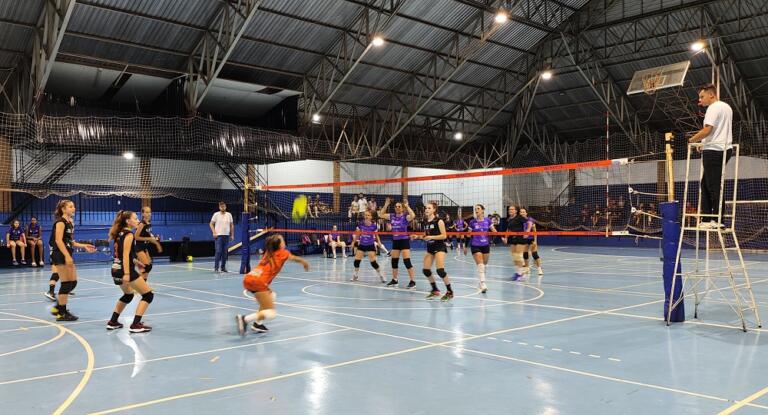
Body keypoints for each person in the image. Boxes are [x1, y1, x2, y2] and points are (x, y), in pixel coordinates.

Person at [237, 234, 309, 334]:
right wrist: (304, 262)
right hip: (258, 281)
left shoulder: (269, 252)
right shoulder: (283, 253)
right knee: (271, 313)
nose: (284, 241)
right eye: (282, 240)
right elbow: (295, 258)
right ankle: (245, 319)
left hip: (250, 277)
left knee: (272, 296)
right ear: (279, 245)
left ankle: (258, 324)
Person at [688, 84, 734, 228]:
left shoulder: (713, 108)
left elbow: (708, 130)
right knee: (707, 184)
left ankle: (717, 220)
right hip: (724, 148)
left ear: (711, 95)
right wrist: (703, 143)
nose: (700, 100)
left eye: (702, 97)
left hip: (714, 150)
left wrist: (692, 140)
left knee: (712, 185)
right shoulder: (726, 107)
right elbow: (717, 131)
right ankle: (708, 219)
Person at [106, 211, 154, 333]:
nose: (138, 220)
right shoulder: (129, 235)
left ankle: (113, 321)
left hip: (116, 269)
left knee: (128, 295)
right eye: (135, 218)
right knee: (148, 295)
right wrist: (127, 274)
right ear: (128, 221)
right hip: (124, 270)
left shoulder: (119, 234)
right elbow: (126, 256)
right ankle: (136, 324)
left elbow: (122, 254)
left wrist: (136, 262)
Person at [49, 199, 97, 321]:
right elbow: (58, 241)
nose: (73, 208)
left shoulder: (70, 222)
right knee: (66, 283)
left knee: (73, 282)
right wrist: (67, 256)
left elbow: (70, 241)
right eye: (70, 206)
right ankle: (62, 313)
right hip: (60, 254)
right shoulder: (60, 222)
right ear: (63, 209)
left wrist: (84, 246)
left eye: (73, 206)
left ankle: (59, 307)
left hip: (66, 253)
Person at [411, 202, 453, 301]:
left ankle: (450, 292)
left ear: (434, 210)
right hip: (430, 247)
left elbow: (444, 236)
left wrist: (431, 237)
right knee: (426, 270)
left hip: (439, 247)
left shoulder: (439, 221)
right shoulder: (425, 222)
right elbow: (425, 236)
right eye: (426, 208)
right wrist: (417, 237)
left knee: (440, 271)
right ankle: (435, 290)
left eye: (429, 208)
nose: (426, 210)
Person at [378, 197, 417, 288]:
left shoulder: (405, 216)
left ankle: (412, 281)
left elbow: (413, 216)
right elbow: (381, 214)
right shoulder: (392, 216)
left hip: (404, 240)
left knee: (407, 261)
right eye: (396, 206)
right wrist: (386, 204)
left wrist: (407, 206)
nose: (397, 208)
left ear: (402, 208)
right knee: (394, 261)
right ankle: (395, 280)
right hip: (395, 241)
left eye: (399, 206)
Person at [468, 204, 497, 293]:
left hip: (485, 244)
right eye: (475, 209)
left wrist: (495, 235)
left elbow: (494, 231)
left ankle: (481, 280)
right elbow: (468, 234)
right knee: (480, 264)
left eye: (478, 209)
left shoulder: (487, 221)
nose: (476, 210)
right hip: (475, 244)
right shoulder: (472, 222)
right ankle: (483, 283)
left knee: (484, 265)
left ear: (482, 210)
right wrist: (465, 245)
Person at [351, 210, 385, 283]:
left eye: (368, 215)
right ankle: (355, 275)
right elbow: (357, 234)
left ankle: (381, 275)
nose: (366, 216)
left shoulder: (374, 226)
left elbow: (376, 235)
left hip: (370, 245)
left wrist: (379, 242)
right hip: (362, 244)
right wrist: (354, 242)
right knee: (356, 261)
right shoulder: (360, 224)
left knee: (373, 263)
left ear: (371, 217)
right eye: (365, 215)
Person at [135, 206, 162, 281]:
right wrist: (149, 238)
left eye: (149, 212)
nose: (149, 214)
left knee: (148, 267)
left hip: (144, 247)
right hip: (139, 247)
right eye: (146, 212)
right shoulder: (142, 224)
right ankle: (138, 284)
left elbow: (149, 235)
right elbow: (136, 237)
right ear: (142, 214)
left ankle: (142, 285)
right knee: (146, 267)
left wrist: (156, 242)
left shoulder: (149, 223)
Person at [504, 205, 527, 281]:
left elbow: (529, 222)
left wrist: (527, 232)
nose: (510, 210)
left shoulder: (520, 217)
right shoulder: (509, 219)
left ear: (516, 211)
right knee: (514, 257)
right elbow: (508, 229)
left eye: (512, 209)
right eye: (509, 209)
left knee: (518, 256)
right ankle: (517, 273)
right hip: (512, 238)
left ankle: (521, 274)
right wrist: (506, 238)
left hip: (520, 238)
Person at [210, 201, 234, 272]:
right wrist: (214, 232)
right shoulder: (216, 214)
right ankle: (216, 268)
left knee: (225, 252)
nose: (223, 207)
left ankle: (223, 267)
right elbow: (211, 224)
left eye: (224, 206)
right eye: (221, 206)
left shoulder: (229, 215)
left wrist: (232, 234)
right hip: (219, 236)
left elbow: (231, 225)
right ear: (219, 207)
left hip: (226, 236)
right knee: (218, 251)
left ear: (225, 207)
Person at [520, 208, 543, 277]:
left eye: (523, 212)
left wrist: (535, 241)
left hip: (531, 239)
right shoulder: (519, 221)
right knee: (525, 254)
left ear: (526, 213)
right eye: (521, 212)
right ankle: (527, 269)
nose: (522, 213)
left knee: (534, 254)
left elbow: (535, 231)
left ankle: (539, 269)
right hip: (524, 239)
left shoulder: (530, 220)